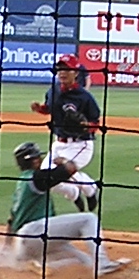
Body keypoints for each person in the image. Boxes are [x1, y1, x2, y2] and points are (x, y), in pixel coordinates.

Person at [3, 142, 125, 274]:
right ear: (33, 160)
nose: (40, 159)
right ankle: (103, 263)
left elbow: (11, 220)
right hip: (36, 234)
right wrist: (63, 160)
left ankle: (33, 262)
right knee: (89, 219)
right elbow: (70, 168)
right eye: (37, 157)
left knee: (85, 261)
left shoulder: (22, 184)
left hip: (26, 245)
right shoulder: (38, 177)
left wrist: (7, 248)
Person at [29, 57, 102, 205]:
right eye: (60, 69)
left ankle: (90, 188)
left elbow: (96, 123)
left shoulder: (84, 97)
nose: (62, 73)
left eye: (67, 69)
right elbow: (49, 109)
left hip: (80, 145)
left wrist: (86, 125)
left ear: (75, 73)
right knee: (43, 180)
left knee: (61, 172)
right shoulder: (53, 90)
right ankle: (74, 193)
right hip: (59, 143)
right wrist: (40, 109)